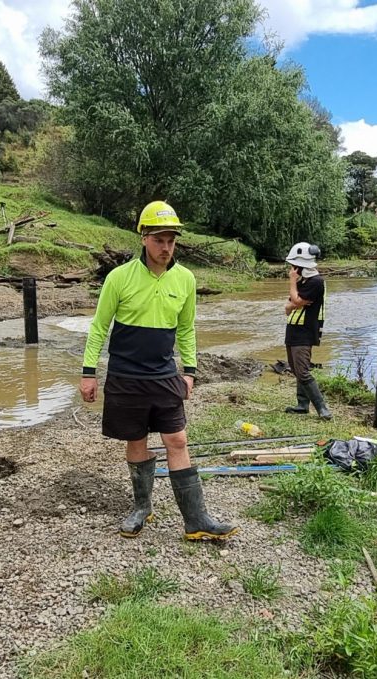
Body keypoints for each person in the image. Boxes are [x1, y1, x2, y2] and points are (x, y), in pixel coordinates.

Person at [79, 200, 238, 541]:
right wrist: (88, 372)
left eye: (171, 240)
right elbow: (99, 327)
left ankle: (196, 520)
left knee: (177, 439)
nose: (165, 247)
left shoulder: (185, 279)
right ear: (143, 238)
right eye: (158, 240)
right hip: (125, 375)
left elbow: (186, 329)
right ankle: (141, 507)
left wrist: (190, 370)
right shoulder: (119, 278)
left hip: (165, 374)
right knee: (136, 441)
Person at [283, 242, 331, 420]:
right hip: (293, 329)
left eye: (294, 266)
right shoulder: (305, 281)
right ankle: (302, 404)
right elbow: (289, 306)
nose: (292, 270)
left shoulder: (316, 282)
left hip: (305, 331)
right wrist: (293, 302)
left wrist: (292, 283)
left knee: (302, 370)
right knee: (296, 369)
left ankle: (322, 408)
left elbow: (294, 302)